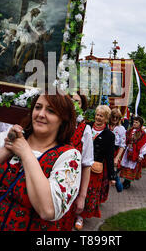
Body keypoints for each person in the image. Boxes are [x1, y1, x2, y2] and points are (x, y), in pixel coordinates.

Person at [0, 92, 82, 231]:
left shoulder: (69, 156)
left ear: (63, 119)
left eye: (51, 111)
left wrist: (25, 153)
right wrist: (7, 150)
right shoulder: (11, 137)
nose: (41, 114)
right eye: (38, 107)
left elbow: (48, 210)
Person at [75, 105, 116, 230]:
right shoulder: (85, 126)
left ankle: (80, 217)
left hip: (94, 169)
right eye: (97, 115)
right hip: (79, 164)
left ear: (106, 118)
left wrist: (111, 176)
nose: (98, 117)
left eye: (101, 116)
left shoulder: (109, 135)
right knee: (75, 188)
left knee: (87, 193)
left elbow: (109, 157)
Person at [58, 92, 94, 231]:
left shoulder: (85, 130)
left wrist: (82, 196)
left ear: (82, 107)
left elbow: (86, 165)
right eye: (70, 100)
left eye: (77, 102)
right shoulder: (57, 122)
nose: (73, 104)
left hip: (69, 185)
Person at [118, 116, 146, 189]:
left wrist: (141, 154)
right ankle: (125, 181)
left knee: (131, 167)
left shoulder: (142, 133)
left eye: (136, 122)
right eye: (134, 122)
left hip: (135, 152)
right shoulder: (129, 131)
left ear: (140, 124)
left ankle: (128, 182)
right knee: (125, 166)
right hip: (128, 151)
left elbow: (145, 144)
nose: (134, 123)